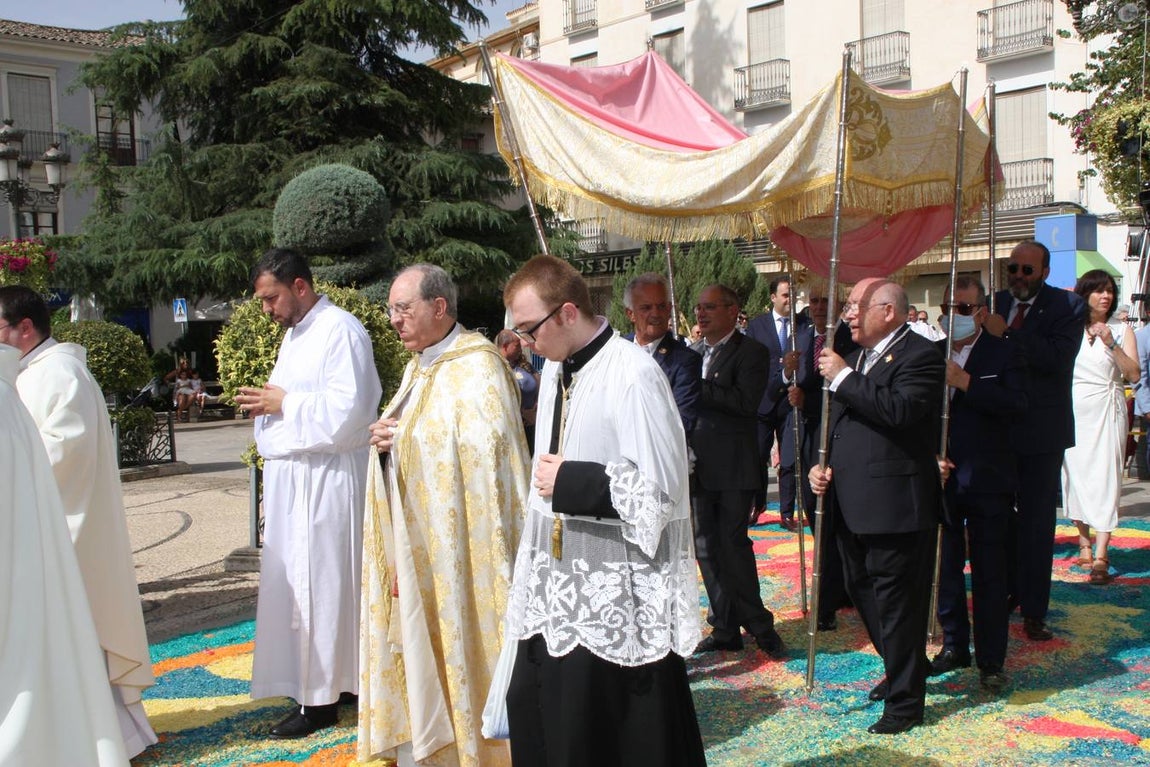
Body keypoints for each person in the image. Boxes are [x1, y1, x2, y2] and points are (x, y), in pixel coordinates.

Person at [501, 255, 705, 767]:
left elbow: (661, 495)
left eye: (529, 329)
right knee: (535, 709)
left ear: (568, 313)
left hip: (614, 591)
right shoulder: (553, 369)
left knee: (606, 734)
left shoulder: (633, 374)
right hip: (556, 584)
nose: (525, 343)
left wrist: (572, 481)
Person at [359, 264, 529, 767]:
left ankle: (478, 747)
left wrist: (403, 437)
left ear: (438, 307)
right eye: (391, 309)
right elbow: (423, 433)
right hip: (420, 548)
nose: (394, 319)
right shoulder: (420, 366)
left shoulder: (479, 365)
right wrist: (387, 443)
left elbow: (487, 449)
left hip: (463, 556)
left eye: (403, 308)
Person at [0, 285, 158, 757]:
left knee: (76, 640)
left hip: (66, 526)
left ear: (24, 328)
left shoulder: (59, 372)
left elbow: (64, 452)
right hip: (49, 523)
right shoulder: (30, 373)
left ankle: (103, 736)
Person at [234, 248, 383, 739]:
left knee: (325, 585)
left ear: (300, 286)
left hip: (327, 481)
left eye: (271, 298)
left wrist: (284, 402)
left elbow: (352, 411)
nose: (267, 310)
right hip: (296, 480)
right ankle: (326, 684)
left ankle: (321, 699)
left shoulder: (340, 330)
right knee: (305, 586)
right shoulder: (297, 335)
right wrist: (271, 406)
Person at [809, 278, 945, 735]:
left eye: (854, 305)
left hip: (895, 506)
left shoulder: (919, 355)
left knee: (898, 602)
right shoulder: (860, 355)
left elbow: (900, 411)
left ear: (886, 310)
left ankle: (906, 703)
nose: (846, 314)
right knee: (862, 589)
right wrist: (819, 465)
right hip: (852, 500)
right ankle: (902, 668)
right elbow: (843, 425)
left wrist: (844, 377)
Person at [981, 240, 1086, 641]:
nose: (1019, 277)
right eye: (1013, 269)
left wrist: (1007, 334)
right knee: (997, 518)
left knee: (1037, 522)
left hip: (1041, 432)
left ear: (1044, 271)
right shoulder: (995, 302)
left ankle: (1034, 609)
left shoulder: (1067, 306)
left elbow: (1055, 360)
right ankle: (1005, 591)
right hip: (997, 430)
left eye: (1027, 270)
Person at [929, 277, 1028, 693]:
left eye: (965, 309)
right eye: (949, 307)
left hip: (988, 478)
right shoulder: (929, 355)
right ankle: (955, 645)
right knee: (946, 569)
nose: (955, 315)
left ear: (982, 313)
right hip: (944, 479)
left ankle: (991, 660)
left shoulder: (1005, 353)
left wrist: (966, 383)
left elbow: (1018, 406)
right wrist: (931, 455)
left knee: (989, 573)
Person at [691, 284, 785, 656]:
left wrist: (693, 386)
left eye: (710, 307)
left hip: (733, 466)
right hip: (697, 466)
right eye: (699, 307)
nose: (701, 314)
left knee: (732, 547)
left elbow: (746, 403)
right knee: (706, 549)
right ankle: (724, 626)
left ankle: (760, 625)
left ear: (733, 311)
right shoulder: (692, 352)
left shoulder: (752, 352)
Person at [1061, 269, 1139, 586]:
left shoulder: (1122, 331)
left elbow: (1133, 373)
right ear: (1085, 294)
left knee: (1107, 475)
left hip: (1108, 409)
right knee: (1076, 475)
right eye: (1098, 291)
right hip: (1075, 409)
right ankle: (1083, 541)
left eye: (1109, 291)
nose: (1105, 296)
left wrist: (1111, 344)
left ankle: (1102, 552)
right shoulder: (1067, 329)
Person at [790, 283, 856, 632]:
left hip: (835, 435)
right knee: (816, 518)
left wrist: (808, 400)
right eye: (813, 300)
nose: (817, 306)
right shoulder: (800, 336)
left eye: (825, 301)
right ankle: (839, 588)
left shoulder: (848, 339)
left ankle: (830, 597)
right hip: (806, 435)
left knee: (830, 519)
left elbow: (842, 393)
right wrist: (788, 373)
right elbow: (788, 385)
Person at [746, 275, 807, 528]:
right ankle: (757, 505)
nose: (789, 298)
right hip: (763, 401)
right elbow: (753, 362)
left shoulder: (804, 323)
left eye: (793, 293)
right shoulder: (757, 326)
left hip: (791, 402)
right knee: (758, 457)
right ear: (773, 297)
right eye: (785, 294)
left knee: (790, 460)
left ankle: (786, 513)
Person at [622, 272, 702, 435]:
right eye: (646, 307)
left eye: (661, 306)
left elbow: (683, 422)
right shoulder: (617, 350)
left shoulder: (685, 360)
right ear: (630, 314)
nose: (656, 314)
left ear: (669, 309)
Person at [496, 328, 541, 452]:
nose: (521, 349)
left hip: (532, 424)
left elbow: (540, 386)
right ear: (505, 346)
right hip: (512, 429)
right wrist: (522, 413)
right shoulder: (495, 368)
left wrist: (535, 410)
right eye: (517, 346)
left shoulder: (524, 365)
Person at [167, 356, 195, 421]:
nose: (186, 364)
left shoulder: (190, 372)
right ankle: (179, 415)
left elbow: (195, 380)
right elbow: (166, 378)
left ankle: (180, 411)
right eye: (184, 363)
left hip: (189, 390)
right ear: (181, 364)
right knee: (182, 398)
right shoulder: (177, 371)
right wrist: (170, 384)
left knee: (193, 396)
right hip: (179, 391)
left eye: (187, 363)